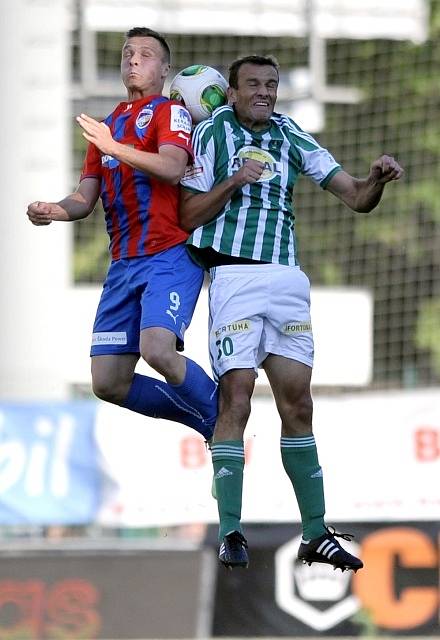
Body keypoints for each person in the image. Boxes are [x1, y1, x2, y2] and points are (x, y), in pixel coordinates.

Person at [180, 55, 404, 571]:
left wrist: (376, 179)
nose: (264, 92)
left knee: (298, 404)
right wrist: (234, 181)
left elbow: (354, 197)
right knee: (235, 399)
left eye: (272, 85)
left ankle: (314, 533)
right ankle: (231, 530)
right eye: (253, 84)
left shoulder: (290, 134)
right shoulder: (211, 134)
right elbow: (187, 214)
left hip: (287, 281)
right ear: (230, 92)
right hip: (234, 278)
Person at [26, 27, 217, 441]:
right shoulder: (107, 127)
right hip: (123, 265)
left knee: (158, 350)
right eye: (128, 53)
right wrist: (52, 210)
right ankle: (206, 420)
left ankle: (223, 417)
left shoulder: (171, 112)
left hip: (169, 255)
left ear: (166, 69)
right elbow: (84, 197)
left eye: (146, 54)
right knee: (107, 382)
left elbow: (170, 167)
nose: (133, 59)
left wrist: (113, 147)